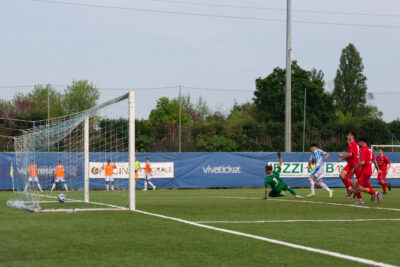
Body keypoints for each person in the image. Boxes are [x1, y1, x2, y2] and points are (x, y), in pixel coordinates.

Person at [351, 137, 383, 204]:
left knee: (359, 188)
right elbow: (374, 160)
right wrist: (378, 169)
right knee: (354, 184)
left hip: (366, 171)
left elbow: (362, 162)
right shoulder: (369, 150)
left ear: (362, 142)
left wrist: (354, 168)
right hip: (363, 171)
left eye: (359, 142)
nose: (358, 143)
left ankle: (377, 193)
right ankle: (360, 200)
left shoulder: (363, 150)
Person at [338, 131, 359, 199]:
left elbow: (350, 154)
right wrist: (342, 158)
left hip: (353, 165)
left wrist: (342, 156)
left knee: (362, 184)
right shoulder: (354, 144)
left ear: (352, 136)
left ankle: (375, 193)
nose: (347, 136)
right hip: (351, 164)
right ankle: (350, 191)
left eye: (348, 135)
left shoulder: (351, 144)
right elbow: (351, 155)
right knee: (343, 176)